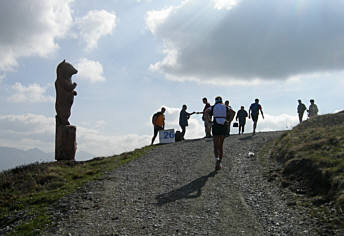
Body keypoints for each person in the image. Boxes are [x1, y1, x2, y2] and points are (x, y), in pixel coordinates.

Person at [207, 96, 229, 171]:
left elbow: (206, 112)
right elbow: (233, 112)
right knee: (221, 145)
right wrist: (229, 120)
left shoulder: (213, 107)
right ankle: (220, 161)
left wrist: (209, 120)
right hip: (223, 124)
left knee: (215, 145)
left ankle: (217, 159)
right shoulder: (225, 106)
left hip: (216, 124)